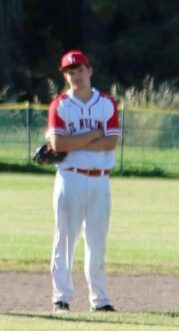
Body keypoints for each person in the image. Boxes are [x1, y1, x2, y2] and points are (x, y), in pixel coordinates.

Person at [46, 49, 120, 313]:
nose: (75, 76)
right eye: (70, 72)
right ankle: (61, 297)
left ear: (90, 71)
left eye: (79, 70)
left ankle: (100, 300)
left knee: (97, 242)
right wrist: (93, 135)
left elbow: (111, 141)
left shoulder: (106, 103)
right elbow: (57, 143)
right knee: (65, 240)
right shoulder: (61, 105)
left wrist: (75, 142)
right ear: (65, 77)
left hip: (100, 180)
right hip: (70, 178)